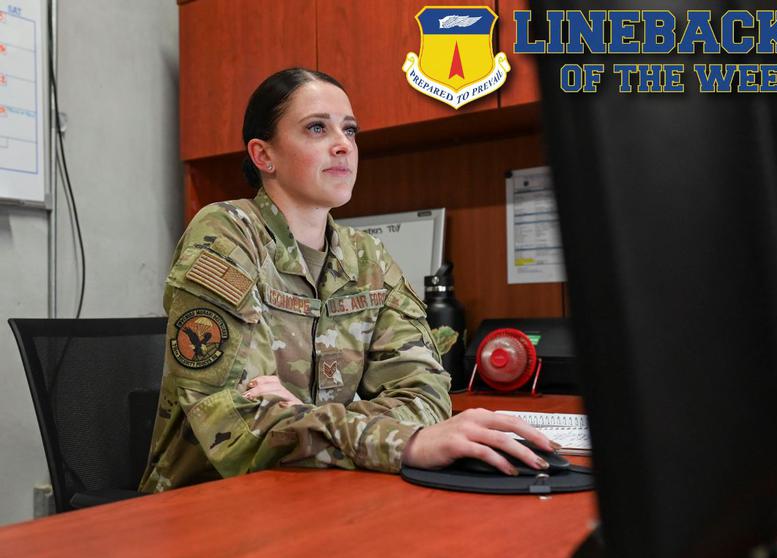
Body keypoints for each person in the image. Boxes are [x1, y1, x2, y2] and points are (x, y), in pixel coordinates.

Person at [140, 68, 556, 493]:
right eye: (317, 128)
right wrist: (397, 440)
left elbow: (428, 396)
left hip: (319, 491)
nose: (344, 146)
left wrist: (302, 415)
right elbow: (240, 424)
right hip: (207, 503)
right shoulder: (227, 234)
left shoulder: (367, 257)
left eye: (351, 130)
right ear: (264, 156)